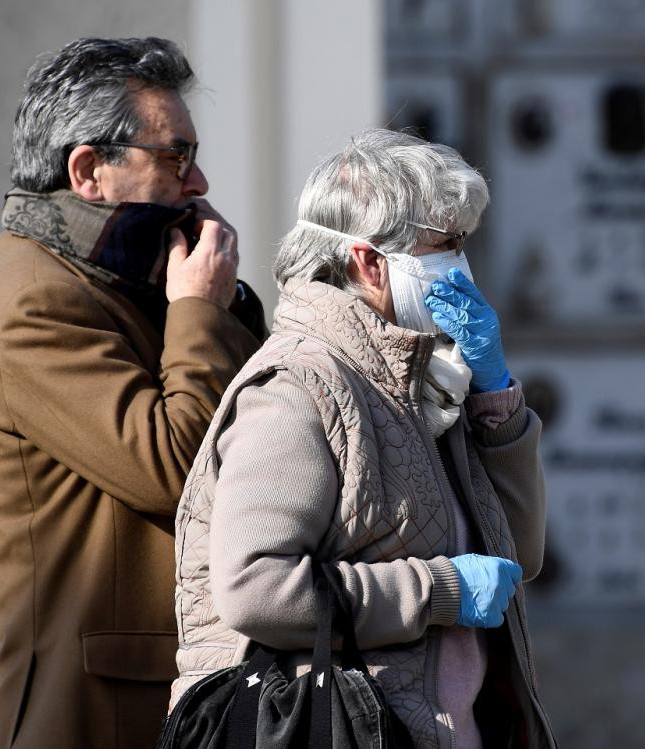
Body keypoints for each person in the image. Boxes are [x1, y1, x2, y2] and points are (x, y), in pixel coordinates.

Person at [172, 129, 557, 748]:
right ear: (369, 261)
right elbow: (255, 588)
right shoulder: (298, 387)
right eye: (444, 245)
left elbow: (519, 555)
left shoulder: (427, 381)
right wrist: (439, 591)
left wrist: (495, 397)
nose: (460, 264)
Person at [0, 37, 265, 749]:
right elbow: (175, 468)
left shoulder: (117, 280)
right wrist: (199, 311)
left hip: (164, 698)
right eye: (174, 158)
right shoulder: (31, 299)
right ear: (88, 171)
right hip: (90, 712)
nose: (197, 183)